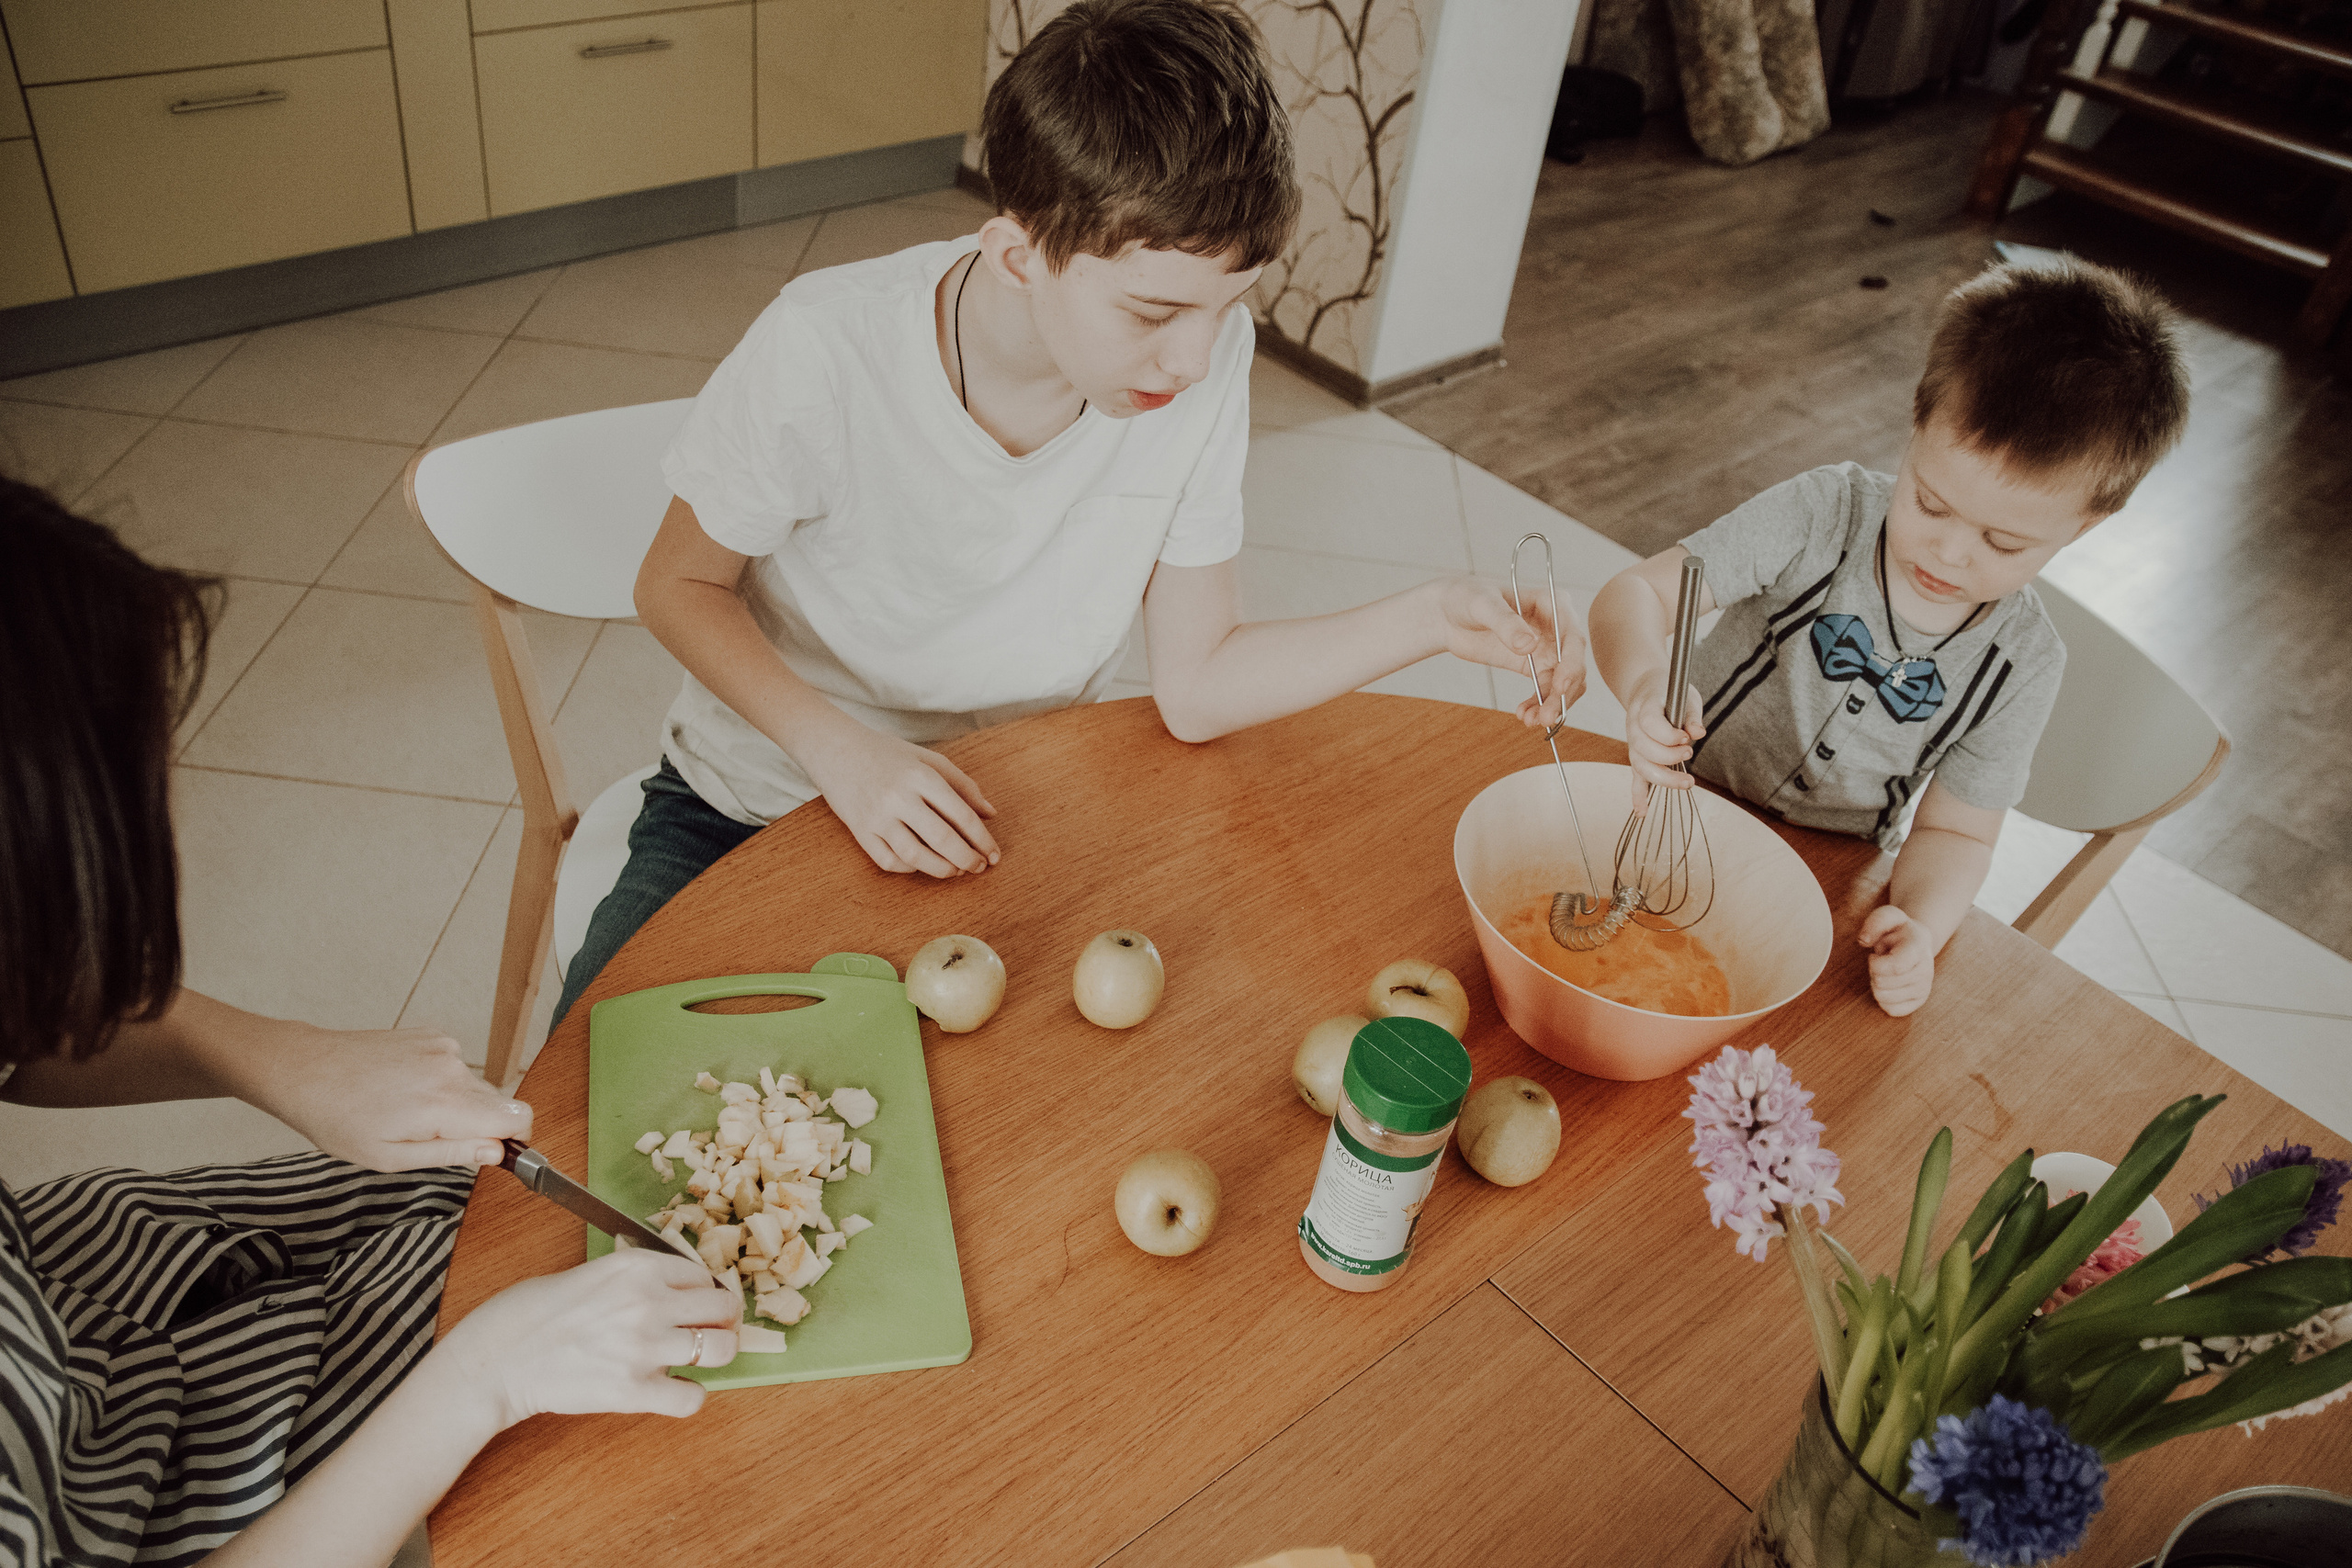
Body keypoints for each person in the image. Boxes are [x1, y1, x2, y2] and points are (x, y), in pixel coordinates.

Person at [557, 0, 1582, 1023]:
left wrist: (1431, 617)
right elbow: (677, 584)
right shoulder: (824, 350)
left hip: (1011, 807)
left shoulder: (1200, 360)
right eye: (1152, 312)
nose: (1193, 358)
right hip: (756, 803)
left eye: (1228, 305)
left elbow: (1196, 684)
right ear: (1017, 257)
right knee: (598, 1093)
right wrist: (842, 756)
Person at [0, 478, 742, 1568]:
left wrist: (263, 1057)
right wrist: (479, 1382)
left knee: (498, 1214)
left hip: (86, 1313)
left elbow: (24, 1032)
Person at [1586, 258, 2189, 1018]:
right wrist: (1646, 682)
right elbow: (1633, 594)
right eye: (1929, 502)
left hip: (1821, 885)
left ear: (2088, 522)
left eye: (2003, 543)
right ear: (1917, 421)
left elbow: (1958, 834)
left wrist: (1923, 923)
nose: (1949, 552)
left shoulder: (2024, 665)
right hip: (1670, 806)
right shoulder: (1823, 514)